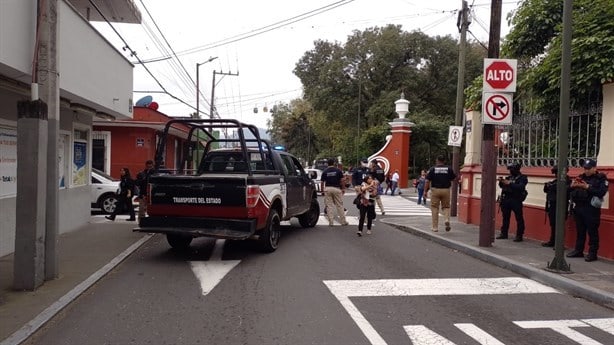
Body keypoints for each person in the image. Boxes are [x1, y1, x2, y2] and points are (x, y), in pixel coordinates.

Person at [566, 159, 608, 262]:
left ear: (594, 168)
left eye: (588, 169)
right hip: (579, 207)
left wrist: (587, 187)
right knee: (580, 231)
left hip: (591, 209)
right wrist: (572, 186)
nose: (586, 171)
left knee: (592, 231)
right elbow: (569, 189)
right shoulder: (581, 177)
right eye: (585, 168)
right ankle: (578, 250)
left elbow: (601, 192)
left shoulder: (600, 179)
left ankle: (592, 253)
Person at [496, 162, 528, 242]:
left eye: (511, 169)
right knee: (505, 217)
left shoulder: (522, 178)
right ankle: (504, 233)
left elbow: (521, 187)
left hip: (516, 199)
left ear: (516, 169)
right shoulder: (509, 177)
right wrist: (502, 181)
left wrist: (510, 184)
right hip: (506, 199)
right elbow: (502, 186)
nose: (510, 171)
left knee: (519, 218)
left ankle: (519, 235)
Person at [424, 156, 457, 232]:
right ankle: (446, 219)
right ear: (444, 161)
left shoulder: (432, 169)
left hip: (435, 190)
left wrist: (425, 191)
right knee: (446, 207)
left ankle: (435, 227)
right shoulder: (449, 169)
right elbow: (454, 178)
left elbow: (427, 181)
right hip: (446, 190)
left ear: (437, 160)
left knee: (435, 208)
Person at [542, 166, 570, 247]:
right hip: (552, 205)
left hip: (561, 205)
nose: (556, 175)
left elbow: (562, 190)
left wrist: (552, 186)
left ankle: (559, 244)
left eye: (557, 172)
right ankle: (552, 241)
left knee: (560, 224)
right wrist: (548, 185)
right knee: (553, 224)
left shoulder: (567, 181)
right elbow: (546, 190)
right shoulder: (555, 181)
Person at [321, 158, 349, 226]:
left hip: (328, 188)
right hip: (336, 188)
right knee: (339, 205)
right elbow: (342, 180)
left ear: (327, 164)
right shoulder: (338, 170)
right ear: (334, 163)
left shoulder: (325, 171)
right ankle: (343, 221)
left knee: (329, 206)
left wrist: (322, 190)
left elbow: (322, 182)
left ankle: (331, 222)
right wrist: (343, 188)